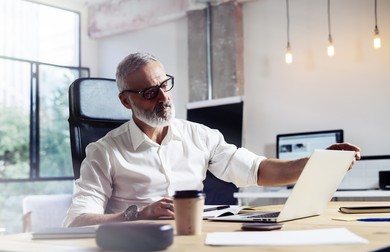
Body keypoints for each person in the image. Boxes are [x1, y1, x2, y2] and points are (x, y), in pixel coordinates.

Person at [63, 52, 360, 227]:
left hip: (196, 243)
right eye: (150, 93)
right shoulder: (105, 152)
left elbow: (256, 170)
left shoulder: (200, 136)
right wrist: (138, 214)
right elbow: (76, 221)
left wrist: (316, 162)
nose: (165, 97)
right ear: (126, 102)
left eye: (165, 84)